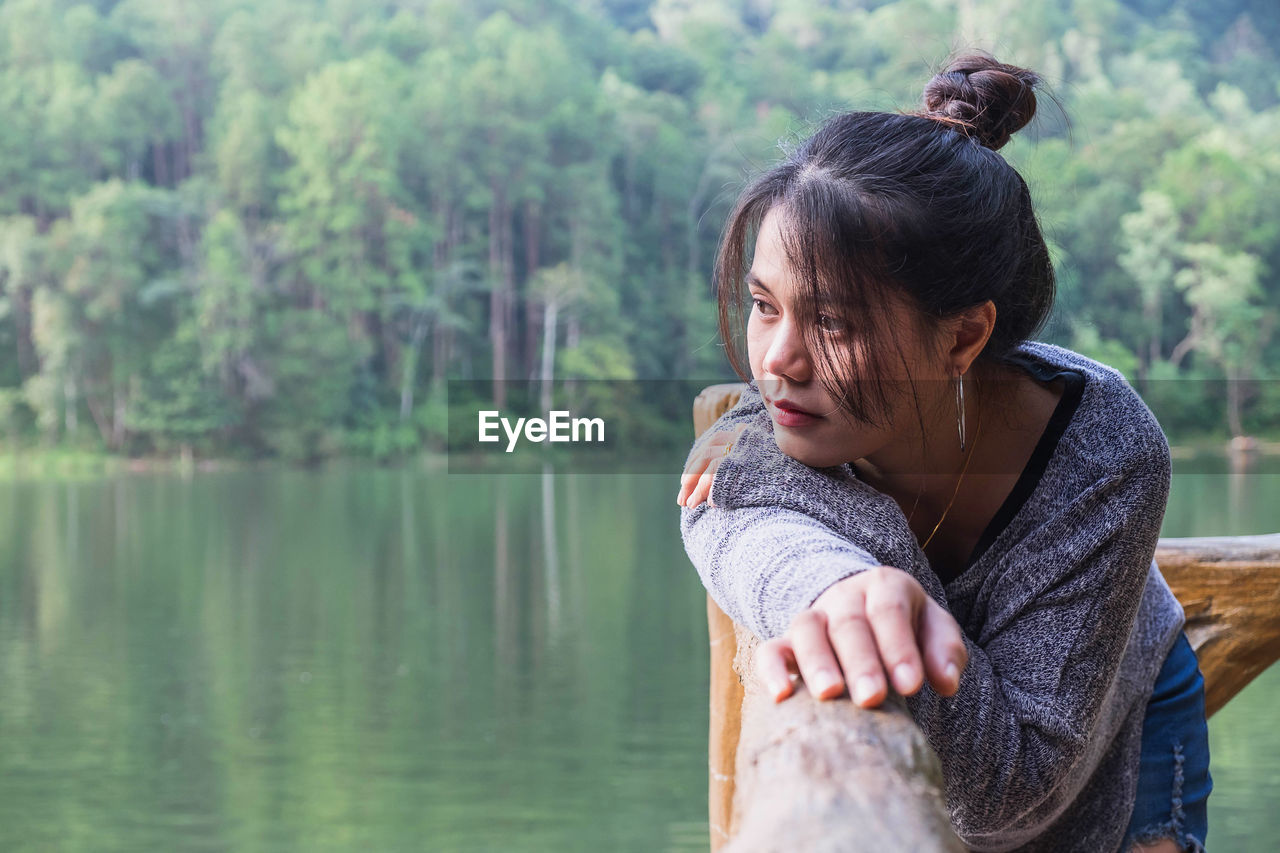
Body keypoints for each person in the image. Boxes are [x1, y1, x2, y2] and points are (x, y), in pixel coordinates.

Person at [676, 54, 1211, 853]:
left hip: (1121, 732)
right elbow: (726, 523)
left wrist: (874, 561)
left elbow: (1009, 795)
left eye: (832, 324)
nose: (774, 361)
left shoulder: (1104, 455)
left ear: (963, 335)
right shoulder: (767, 437)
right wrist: (843, 581)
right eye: (762, 305)